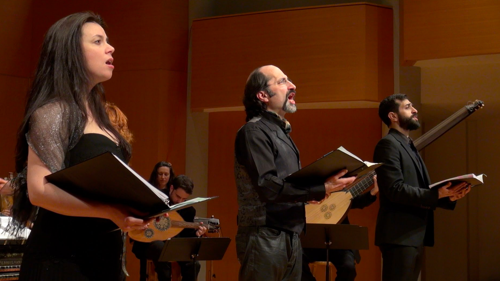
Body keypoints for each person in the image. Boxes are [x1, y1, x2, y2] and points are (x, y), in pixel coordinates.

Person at [9, 12, 150, 280]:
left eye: (107, 40)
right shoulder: (54, 112)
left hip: (103, 258)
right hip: (62, 260)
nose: (111, 47)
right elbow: (39, 191)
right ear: (71, 53)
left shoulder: (102, 116)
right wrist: (110, 212)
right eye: (98, 41)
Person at [234, 65, 357, 281]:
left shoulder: (280, 132)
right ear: (262, 95)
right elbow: (267, 186)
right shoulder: (254, 131)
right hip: (264, 235)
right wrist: (318, 189)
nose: (292, 86)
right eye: (282, 82)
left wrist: (317, 189)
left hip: (290, 233)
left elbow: (286, 184)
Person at [373, 94, 470, 281]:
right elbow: (394, 189)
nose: (415, 110)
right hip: (399, 235)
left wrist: (447, 196)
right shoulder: (388, 145)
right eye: (408, 107)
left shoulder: (408, 145)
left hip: (413, 234)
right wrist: (437, 194)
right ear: (393, 116)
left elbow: (418, 188)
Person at [301, 176, 379, 281]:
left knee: (348, 268)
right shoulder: (312, 185)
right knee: (295, 259)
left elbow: (356, 201)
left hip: (338, 245)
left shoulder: (339, 188)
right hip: (311, 244)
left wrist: (373, 192)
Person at [132, 174, 207, 281]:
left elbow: (187, 237)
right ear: (171, 188)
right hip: (149, 241)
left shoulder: (189, 210)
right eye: (178, 196)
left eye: (184, 198)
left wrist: (197, 234)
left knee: (194, 265)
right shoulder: (156, 199)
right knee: (160, 249)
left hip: (174, 244)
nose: (180, 201)